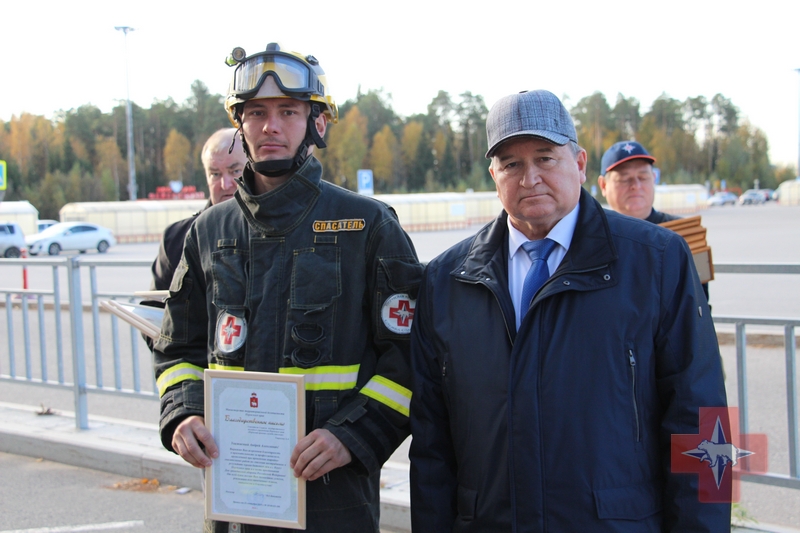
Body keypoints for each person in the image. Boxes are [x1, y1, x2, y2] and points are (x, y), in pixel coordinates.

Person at [409, 90, 729, 531]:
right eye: (512, 164)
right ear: (493, 175)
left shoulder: (657, 261)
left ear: (579, 164)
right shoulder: (447, 280)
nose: (529, 178)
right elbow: (432, 444)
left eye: (545, 158)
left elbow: (700, 417)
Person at [153, 43, 422, 532]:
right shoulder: (209, 231)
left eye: (287, 112)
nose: (269, 126)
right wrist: (184, 413)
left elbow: (411, 356)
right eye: (255, 112)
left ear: (316, 123)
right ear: (240, 124)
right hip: (234, 494)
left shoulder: (368, 225)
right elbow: (178, 348)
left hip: (333, 495)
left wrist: (351, 435)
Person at [597, 140, 710, 301]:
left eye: (642, 177)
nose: (635, 185)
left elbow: (699, 301)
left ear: (654, 178)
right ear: (603, 185)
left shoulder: (684, 233)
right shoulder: (591, 237)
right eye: (624, 179)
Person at [150, 128, 245, 297]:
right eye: (215, 174)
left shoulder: (280, 233)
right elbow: (154, 309)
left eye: (235, 171)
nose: (225, 184)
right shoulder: (176, 239)